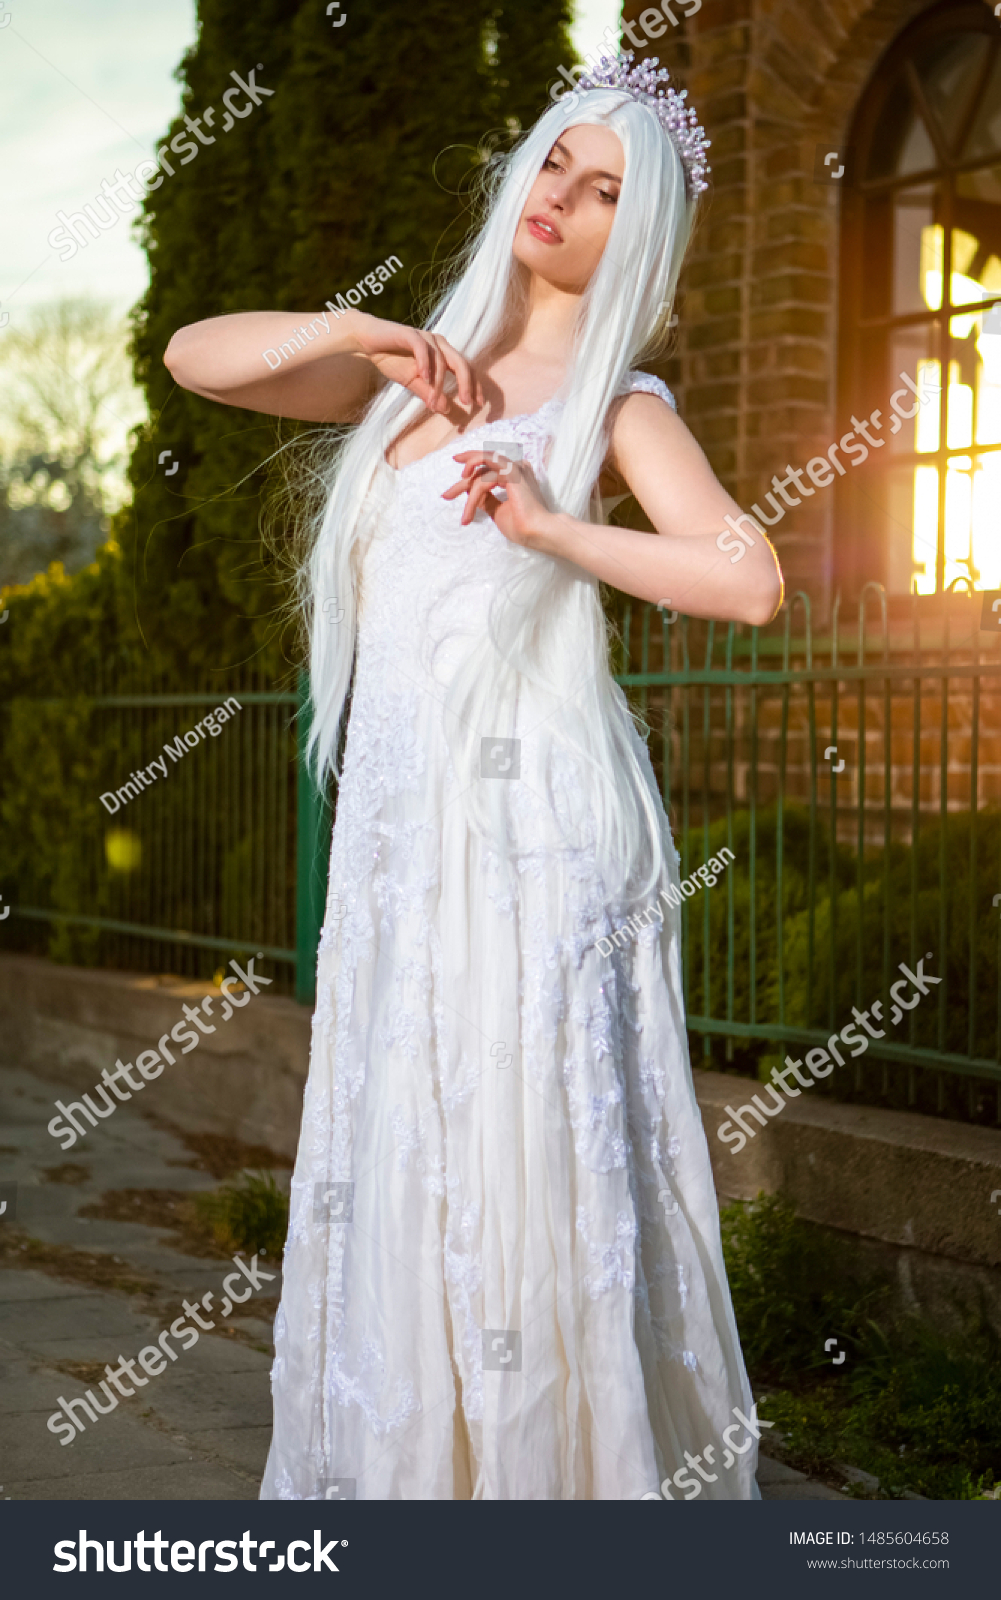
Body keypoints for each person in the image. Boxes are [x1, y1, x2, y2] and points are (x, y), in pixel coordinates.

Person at [165, 51, 783, 1501]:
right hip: (397, 844)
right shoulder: (405, 374)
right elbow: (196, 353)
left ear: (639, 231)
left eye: (605, 188)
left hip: (530, 835)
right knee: (412, 1143)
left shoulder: (614, 401)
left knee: (525, 1153)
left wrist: (552, 531)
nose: (564, 200)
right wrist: (366, 329)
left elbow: (745, 583)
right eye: (554, 166)